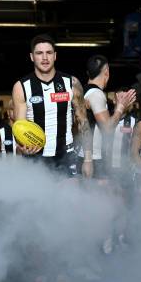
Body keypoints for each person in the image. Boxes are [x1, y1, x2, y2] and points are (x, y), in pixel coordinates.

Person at [12, 34, 93, 177]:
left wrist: (88, 159)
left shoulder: (71, 83)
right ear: (32, 57)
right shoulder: (21, 87)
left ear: (55, 56)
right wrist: (23, 147)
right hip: (35, 158)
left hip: (66, 156)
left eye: (49, 53)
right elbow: (20, 126)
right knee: (37, 199)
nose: (44, 58)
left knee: (69, 198)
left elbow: (83, 122)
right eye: (39, 53)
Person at [77, 55, 136, 179]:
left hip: (84, 155)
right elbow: (107, 129)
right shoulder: (96, 94)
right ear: (107, 71)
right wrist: (120, 107)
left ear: (88, 73)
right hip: (94, 159)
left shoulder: (83, 91)